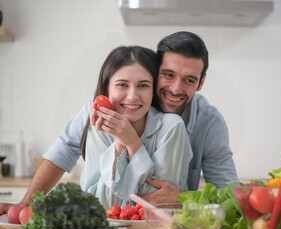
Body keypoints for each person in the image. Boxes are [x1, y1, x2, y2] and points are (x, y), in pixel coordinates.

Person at [0, 31, 237, 214]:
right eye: (168, 75)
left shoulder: (208, 122)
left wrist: (185, 198)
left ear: (201, 82)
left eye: (189, 80)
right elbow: (64, 149)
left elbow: (228, 195)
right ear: (156, 73)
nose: (175, 89)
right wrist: (24, 204)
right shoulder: (109, 106)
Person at [80, 46, 192, 209]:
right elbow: (100, 208)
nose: (132, 97)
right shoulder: (99, 129)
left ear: (153, 90)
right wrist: (119, 143)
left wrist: (133, 144)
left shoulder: (171, 127)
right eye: (122, 85)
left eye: (143, 85)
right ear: (106, 90)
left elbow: (159, 205)